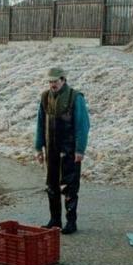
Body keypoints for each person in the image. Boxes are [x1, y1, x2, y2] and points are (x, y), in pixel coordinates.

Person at [34, 67, 90, 235]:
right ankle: (55, 220)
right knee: (51, 186)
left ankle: (71, 222)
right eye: (50, 82)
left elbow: (83, 126)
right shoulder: (45, 97)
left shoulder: (75, 97)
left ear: (63, 80)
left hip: (70, 150)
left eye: (55, 81)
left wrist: (80, 149)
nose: (52, 85)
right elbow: (40, 124)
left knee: (70, 187)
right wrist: (38, 147)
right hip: (51, 150)